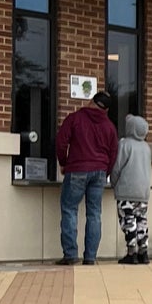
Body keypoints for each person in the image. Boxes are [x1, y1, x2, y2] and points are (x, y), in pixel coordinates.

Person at [54, 90, 120, 266]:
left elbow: (61, 142)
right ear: (105, 110)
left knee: (69, 209)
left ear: (91, 101)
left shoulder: (75, 118)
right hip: (99, 172)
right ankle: (90, 257)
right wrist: (105, 172)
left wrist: (63, 163)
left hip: (76, 169)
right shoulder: (110, 127)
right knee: (94, 213)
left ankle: (70, 255)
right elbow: (114, 153)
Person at [109, 114, 152, 265]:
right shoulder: (146, 147)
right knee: (142, 221)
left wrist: (113, 182)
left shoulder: (125, 144)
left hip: (127, 190)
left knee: (128, 221)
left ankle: (131, 252)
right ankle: (144, 252)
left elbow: (117, 166)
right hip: (143, 192)